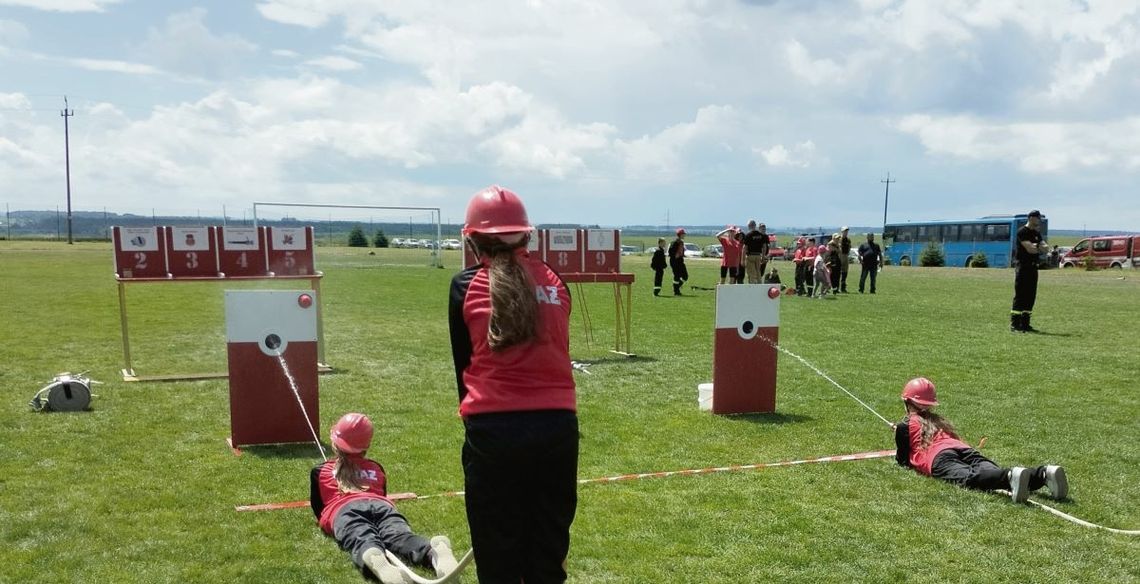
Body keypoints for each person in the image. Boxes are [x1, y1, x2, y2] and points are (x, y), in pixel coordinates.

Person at [449, 185, 579, 583]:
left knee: (498, 555)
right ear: (527, 234)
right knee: (548, 549)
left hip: (494, 432)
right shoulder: (556, 281)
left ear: (472, 239)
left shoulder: (465, 285)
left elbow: (464, 366)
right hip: (557, 428)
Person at [310, 413, 460, 584]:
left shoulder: (319, 471)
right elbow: (382, 494)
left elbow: (320, 510)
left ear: (336, 443)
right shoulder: (376, 468)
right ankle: (432, 551)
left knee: (360, 535)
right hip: (382, 506)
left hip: (345, 510)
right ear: (366, 446)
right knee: (400, 536)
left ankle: (375, 556)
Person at [894, 378, 1068, 503]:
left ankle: (1010, 475)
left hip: (938, 459)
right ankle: (1043, 474)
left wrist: (900, 432)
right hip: (964, 450)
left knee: (969, 478)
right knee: (992, 475)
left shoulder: (905, 425)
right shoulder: (939, 420)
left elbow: (903, 461)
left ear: (907, 401)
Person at [1012, 210, 1049, 332]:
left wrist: (1037, 246)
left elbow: (1046, 248)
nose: (1039, 221)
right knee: (1021, 295)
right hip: (1023, 267)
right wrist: (1038, 247)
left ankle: (1025, 324)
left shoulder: (1036, 233)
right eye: (1038, 218)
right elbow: (1030, 249)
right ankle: (1015, 324)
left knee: (1030, 295)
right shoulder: (1022, 232)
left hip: (1033, 267)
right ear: (1031, 218)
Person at [668, 228, 689, 295]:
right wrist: (675, 256)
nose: (684, 235)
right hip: (674, 261)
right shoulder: (674, 243)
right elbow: (670, 252)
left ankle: (676, 287)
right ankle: (676, 291)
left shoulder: (681, 242)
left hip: (680, 261)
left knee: (685, 276)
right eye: (683, 234)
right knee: (676, 276)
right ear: (680, 235)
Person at [838, 226, 852, 293]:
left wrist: (847, 255)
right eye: (845, 231)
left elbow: (849, 247)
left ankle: (843, 288)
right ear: (842, 231)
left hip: (845, 256)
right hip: (839, 256)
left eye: (847, 231)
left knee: (845, 273)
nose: (846, 232)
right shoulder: (838, 239)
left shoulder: (848, 240)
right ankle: (836, 287)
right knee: (837, 273)